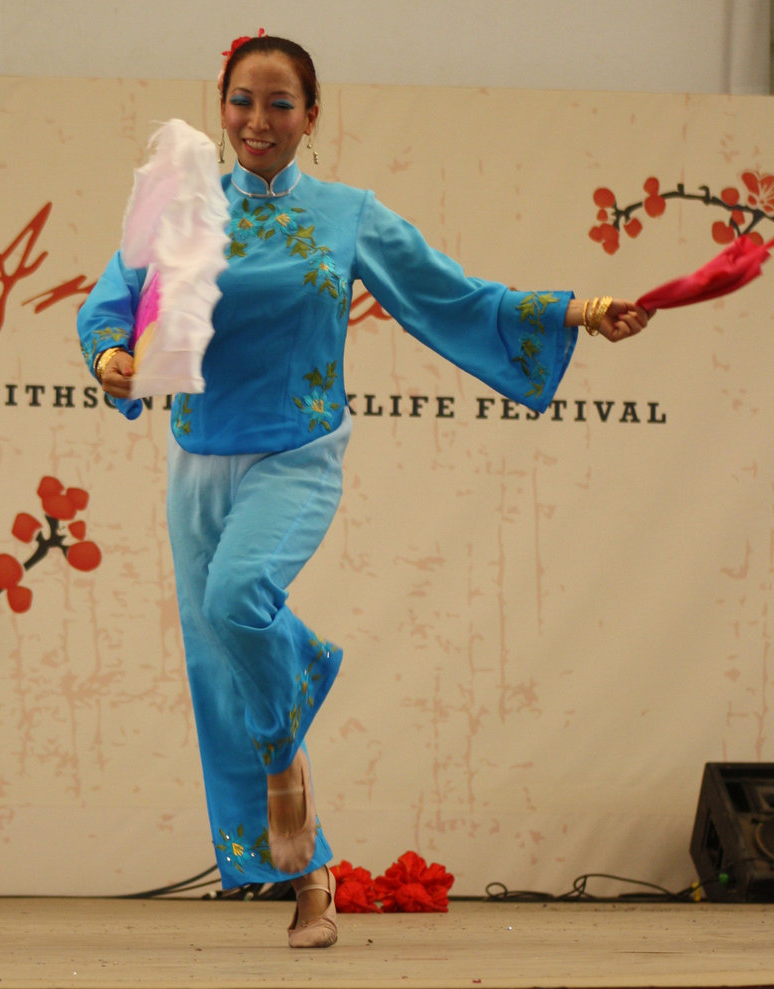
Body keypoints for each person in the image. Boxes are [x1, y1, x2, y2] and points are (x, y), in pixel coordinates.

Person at [77, 33, 651, 949]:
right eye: (241, 102)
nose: (257, 122)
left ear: (313, 115)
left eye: (279, 104)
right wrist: (110, 352)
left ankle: (296, 707)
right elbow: (112, 301)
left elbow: (451, 297)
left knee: (239, 600)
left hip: (297, 453)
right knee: (221, 672)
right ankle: (309, 874)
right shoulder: (181, 209)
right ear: (219, 108)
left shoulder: (347, 216)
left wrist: (576, 309)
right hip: (197, 457)